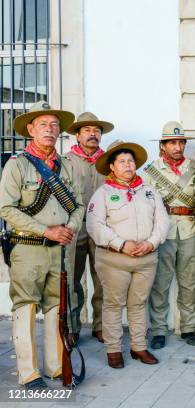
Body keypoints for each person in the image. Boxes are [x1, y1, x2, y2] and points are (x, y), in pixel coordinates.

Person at [0, 101, 83, 388]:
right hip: (27, 247)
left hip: (59, 249)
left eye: (55, 125)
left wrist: (68, 229)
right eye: (43, 125)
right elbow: (6, 209)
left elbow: (78, 205)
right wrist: (46, 230)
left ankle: (56, 367)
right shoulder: (17, 165)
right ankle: (28, 373)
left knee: (56, 307)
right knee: (25, 306)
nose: (50, 129)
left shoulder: (66, 166)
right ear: (31, 130)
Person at [87, 140, 169, 369]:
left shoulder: (150, 191)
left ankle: (138, 347)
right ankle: (113, 350)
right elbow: (95, 225)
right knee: (113, 304)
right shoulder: (103, 193)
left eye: (130, 161)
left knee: (139, 303)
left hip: (146, 259)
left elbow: (162, 222)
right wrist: (121, 244)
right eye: (121, 161)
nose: (127, 165)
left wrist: (151, 244)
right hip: (114, 260)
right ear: (112, 167)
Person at [142, 121, 195, 349]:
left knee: (189, 280)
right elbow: (145, 206)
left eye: (180, 142)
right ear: (163, 146)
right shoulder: (150, 171)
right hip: (163, 232)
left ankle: (188, 328)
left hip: (189, 229)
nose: (177, 147)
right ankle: (158, 329)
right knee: (161, 282)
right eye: (172, 143)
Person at [65, 112, 113, 343]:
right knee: (72, 278)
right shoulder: (65, 162)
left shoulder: (109, 163)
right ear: (77, 135)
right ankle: (73, 327)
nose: (92, 134)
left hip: (103, 227)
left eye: (96, 130)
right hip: (75, 227)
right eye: (87, 130)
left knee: (103, 278)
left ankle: (101, 326)